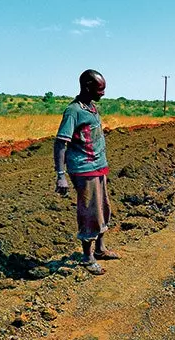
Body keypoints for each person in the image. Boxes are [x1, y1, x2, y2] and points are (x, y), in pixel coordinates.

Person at [54, 69, 120, 275]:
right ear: (87, 87)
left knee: (103, 207)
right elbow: (60, 144)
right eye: (100, 89)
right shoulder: (73, 111)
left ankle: (100, 249)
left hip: (98, 166)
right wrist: (60, 175)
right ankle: (87, 257)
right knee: (90, 212)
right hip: (84, 169)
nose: (103, 93)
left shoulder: (91, 107)